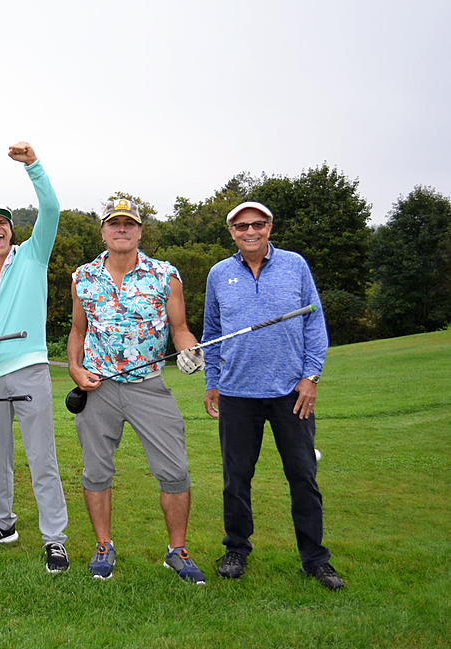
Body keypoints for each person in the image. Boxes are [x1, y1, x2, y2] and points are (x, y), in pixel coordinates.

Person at [203, 201, 344, 590]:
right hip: (236, 393)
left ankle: (315, 559)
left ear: (269, 227)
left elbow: (314, 322)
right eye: (242, 225)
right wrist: (211, 381)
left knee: (302, 476)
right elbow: (212, 333)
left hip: (291, 393)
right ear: (231, 231)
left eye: (258, 224)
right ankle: (236, 549)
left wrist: (311, 376)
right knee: (236, 479)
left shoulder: (295, 265)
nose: (250, 231)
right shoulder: (219, 274)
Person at [67, 198, 206, 583]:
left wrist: (188, 349)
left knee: (175, 471)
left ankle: (177, 551)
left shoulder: (165, 275)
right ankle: (103, 545)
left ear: (141, 231)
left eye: (130, 224)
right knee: (96, 472)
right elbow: (79, 331)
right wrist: (76, 368)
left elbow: (179, 328)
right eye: (115, 223)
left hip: (149, 387)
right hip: (99, 387)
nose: (122, 229)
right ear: (104, 231)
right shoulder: (83, 276)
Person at [0, 142, 70, 573]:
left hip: (29, 371)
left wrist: (34, 167)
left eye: (1, 222)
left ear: (11, 228)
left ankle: (54, 538)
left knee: (42, 457)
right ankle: (2, 523)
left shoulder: (33, 256)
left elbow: (53, 208)